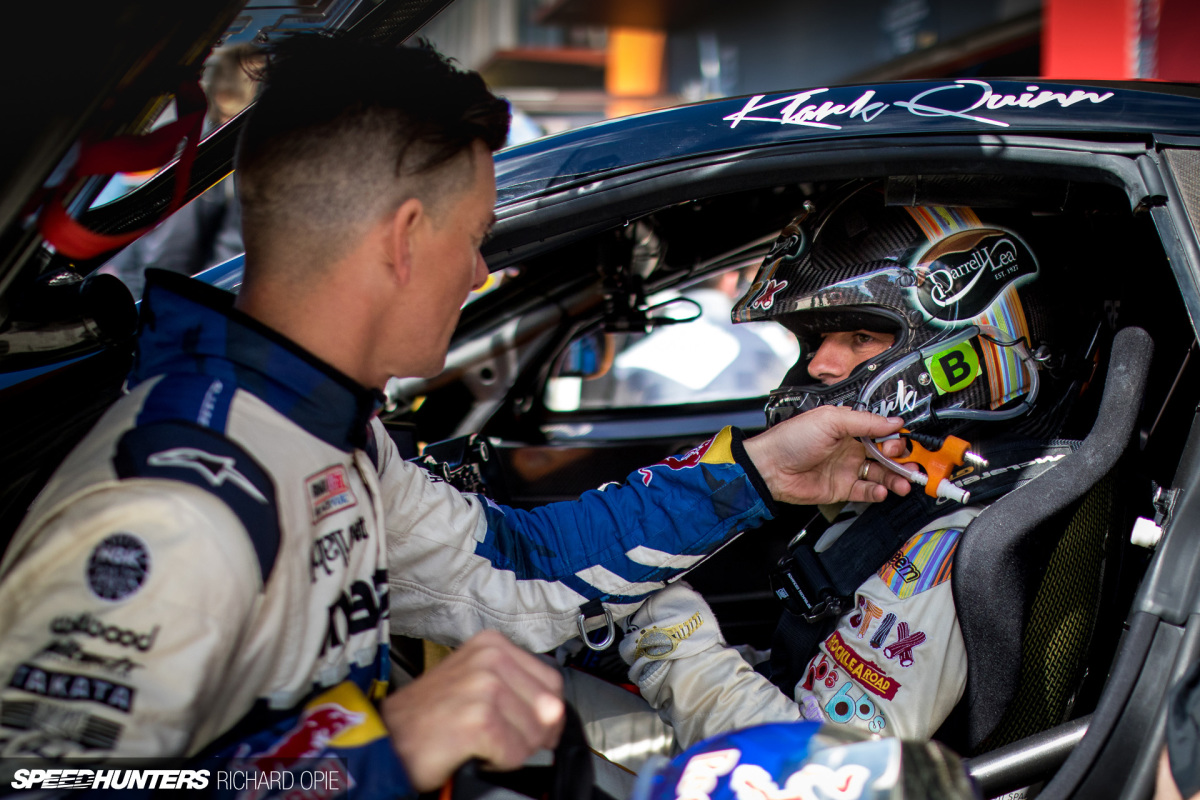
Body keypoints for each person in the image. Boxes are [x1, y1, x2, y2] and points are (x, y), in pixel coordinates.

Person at [0, 35, 911, 793]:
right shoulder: (169, 508)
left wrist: (757, 473)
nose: (479, 275)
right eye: (476, 240)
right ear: (403, 238)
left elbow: (520, 566)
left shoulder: (326, 438)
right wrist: (376, 756)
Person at [614, 184, 1102, 750]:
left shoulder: (953, 542)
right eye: (819, 339)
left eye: (860, 336)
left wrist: (665, 631)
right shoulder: (906, 485)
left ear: (964, 349)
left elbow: (825, 772)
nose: (820, 364)